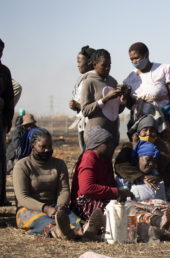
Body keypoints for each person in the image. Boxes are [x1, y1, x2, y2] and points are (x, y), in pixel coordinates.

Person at [123, 42, 170, 193]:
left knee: (168, 156)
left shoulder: (163, 69)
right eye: (131, 59)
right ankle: (146, 191)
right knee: (144, 157)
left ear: (146, 55)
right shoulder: (130, 78)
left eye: (137, 58)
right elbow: (129, 105)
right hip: (142, 126)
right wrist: (126, 97)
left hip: (164, 123)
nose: (135, 62)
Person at [13, 130, 100, 240]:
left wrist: (60, 206)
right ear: (33, 146)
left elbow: (64, 189)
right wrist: (45, 208)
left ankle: (85, 229)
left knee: (72, 219)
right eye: (43, 146)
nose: (47, 150)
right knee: (44, 222)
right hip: (28, 209)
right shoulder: (22, 166)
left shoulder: (59, 164)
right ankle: (59, 232)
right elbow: (23, 197)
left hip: (55, 208)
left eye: (49, 146)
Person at [115, 115, 170, 207]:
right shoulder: (129, 148)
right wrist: (141, 177)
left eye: (152, 130)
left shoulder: (161, 149)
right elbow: (121, 166)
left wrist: (160, 177)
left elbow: (169, 171)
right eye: (145, 130)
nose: (148, 133)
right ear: (139, 132)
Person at [71, 127, 132, 221]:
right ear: (97, 144)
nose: (111, 146)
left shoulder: (105, 158)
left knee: (131, 207)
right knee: (119, 213)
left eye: (112, 143)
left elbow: (110, 184)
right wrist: (118, 192)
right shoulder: (89, 158)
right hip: (85, 203)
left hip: (102, 199)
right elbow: (87, 189)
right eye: (107, 143)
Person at [80, 49, 127, 148]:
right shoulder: (88, 82)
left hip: (112, 133)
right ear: (94, 64)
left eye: (109, 65)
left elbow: (116, 110)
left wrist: (123, 99)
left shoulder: (113, 81)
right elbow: (85, 111)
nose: (107, 68)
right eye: (104, 65)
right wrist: (106, 98)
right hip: (95, 136)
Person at [68, 45, 96, 152]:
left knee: (89, 155)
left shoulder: (94, 79)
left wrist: (78, 105)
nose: (77, 64)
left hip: (91, 124)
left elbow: (96, 104)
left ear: (89, 62)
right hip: (82, 124)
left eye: (79, 61)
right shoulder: (82, 79)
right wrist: (75, 106)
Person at [0, 38, 15, 206]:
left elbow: (9, 98)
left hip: (1, 120)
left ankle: (1, 197)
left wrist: (7, 120)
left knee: (1, 159)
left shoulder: (4, 71)